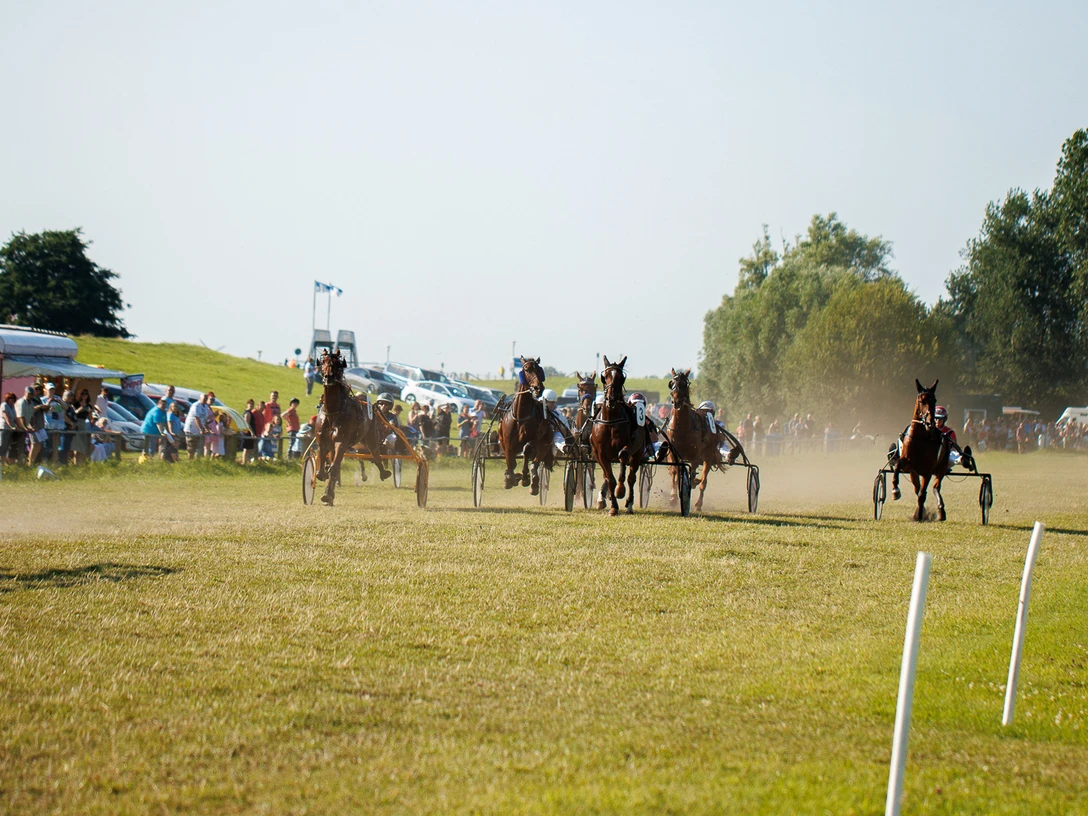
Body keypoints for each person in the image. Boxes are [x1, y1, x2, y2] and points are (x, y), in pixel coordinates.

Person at [184, 393, 212, 459]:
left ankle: (197, 462)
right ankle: (190, 461)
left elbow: (204, 419)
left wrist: (207, 429)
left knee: (200, 448)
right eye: (204, 398)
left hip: (200, 431)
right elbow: (197, 418)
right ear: (200, 398)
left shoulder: (205, 406)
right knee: (191, 447)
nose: (205, 400)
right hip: (192, 429)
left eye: (206, 398)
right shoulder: (196, 406)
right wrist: (201, 429)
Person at [1, 391, 18, 464]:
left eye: (13, 399)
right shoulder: (4, 405)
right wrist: (11, 426)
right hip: (4, 428)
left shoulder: (13, 407)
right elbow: (6, 417)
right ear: (7, 399)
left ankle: (4, 462)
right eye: (10, 398)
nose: (12, 400)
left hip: (10, 429)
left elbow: (15, 418)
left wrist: (18, 426)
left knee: (8, 446)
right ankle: (2, 462)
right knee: (2, 445)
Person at [242, 399, 258, 464]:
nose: (251, 405)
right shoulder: (247, 413)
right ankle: (244, 462)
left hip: (250, 433)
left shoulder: (250, 412)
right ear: (247, 404)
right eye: (250, 403)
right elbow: (247, 423)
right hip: (247, 433)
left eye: (252, 404)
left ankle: (247, 461)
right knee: (246, 448)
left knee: (249, 449)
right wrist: (252, 432)